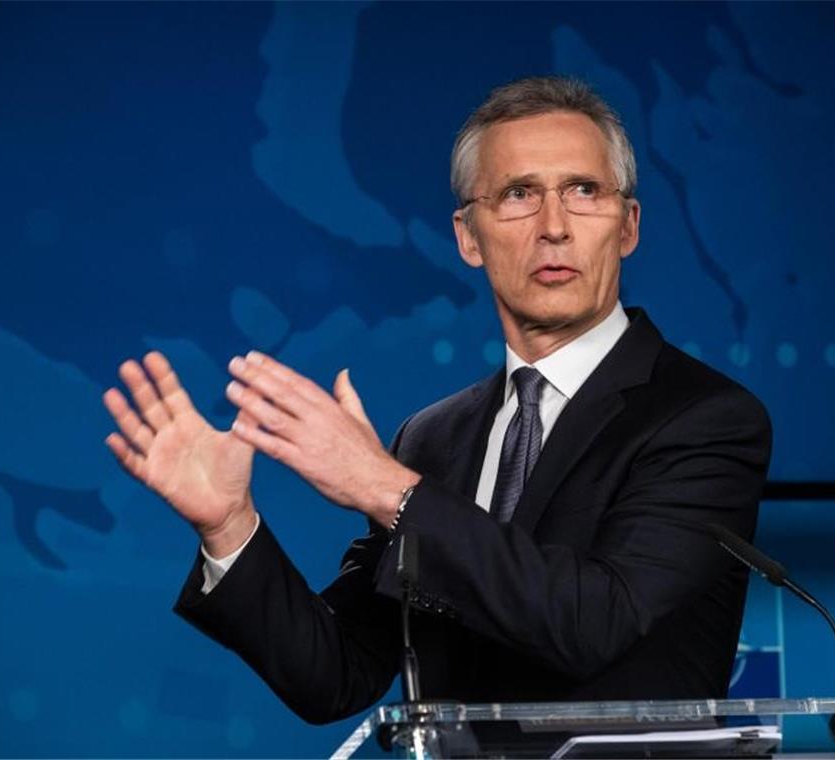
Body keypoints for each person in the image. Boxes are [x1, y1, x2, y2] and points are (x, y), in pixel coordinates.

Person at [102, 77, 771, 724]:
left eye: (584, 191)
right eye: (519, 194)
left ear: (627, 226)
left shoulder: (704, 418)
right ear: (468, 237)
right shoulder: (432, 439)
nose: (554, 227)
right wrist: (229, 528)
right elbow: (337, 674)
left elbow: (596, 623)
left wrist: (384, 487)